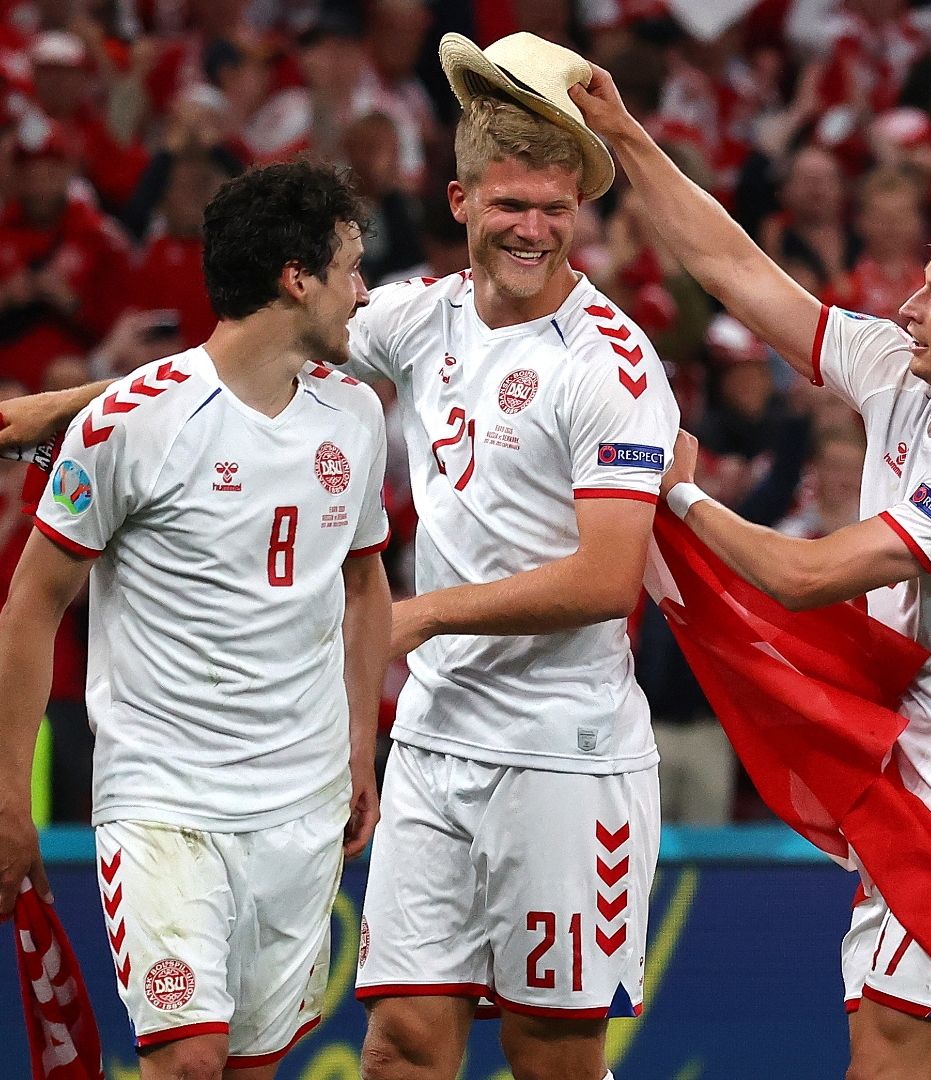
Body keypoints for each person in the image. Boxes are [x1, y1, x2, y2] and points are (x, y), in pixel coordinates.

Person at [569, 59, 931, 1080]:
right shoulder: (902, 375)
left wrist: (678, 492)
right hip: (916, 765)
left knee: (891, 1060)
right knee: (886, 1052)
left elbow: (806, 579)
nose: (904, 309)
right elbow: (738, 270)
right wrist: (627, 138)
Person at [0, 160, 389, 1078]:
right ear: (297, 278)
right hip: (165, 801)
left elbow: (366, 585)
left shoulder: (357, 417)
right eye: (352, 268)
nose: (364, 294)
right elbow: (30, 604)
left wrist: (360, 746)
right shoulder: (131, 421)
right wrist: (10, 794)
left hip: (302, 806)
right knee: (187, 1064)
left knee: (252, 1068)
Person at [346, 35, 676, 1080]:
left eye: (556, 207)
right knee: (400, 1047)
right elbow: (249, 356)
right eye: (510, 205)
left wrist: (420, 616)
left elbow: (605, 580)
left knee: (552, 1058)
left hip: (565, 757)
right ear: (459, 201)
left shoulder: (612, 363)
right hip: (436, 750)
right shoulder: (417, 317)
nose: (534, 228)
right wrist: (55, 412)